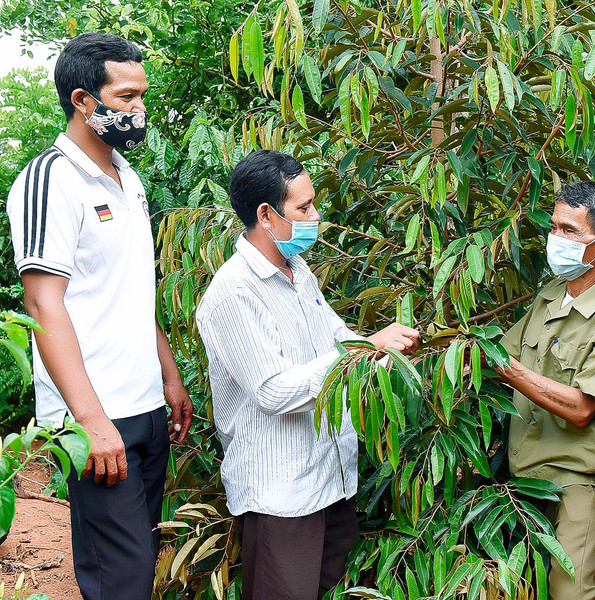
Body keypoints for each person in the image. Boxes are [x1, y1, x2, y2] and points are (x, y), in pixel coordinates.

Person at [5, 33, 193, 599]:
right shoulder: (50, 180)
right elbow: (43, 304)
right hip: (94, 418)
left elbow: (132, 291)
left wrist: (170, 375)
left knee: (140, 561)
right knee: (123, 577)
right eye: (127, 97)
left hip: (144, 405)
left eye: (141, 96)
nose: (140, 109)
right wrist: (88, 422)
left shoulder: (126, 178)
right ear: (83, 100)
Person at [196, 150, 421, 600]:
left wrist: (385, 352)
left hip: (328, 478)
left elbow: (337, 337)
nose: (316, 216)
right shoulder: (233, 293)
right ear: (266, 215)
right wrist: (367, 348)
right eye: (304, 208)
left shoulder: (298, 271)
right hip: (282, 494)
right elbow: (274, 392)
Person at [497, 181, 595, 600]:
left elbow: (582, 408)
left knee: (570, 592)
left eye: (568, 230)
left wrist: (508, 369)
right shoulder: (550, 296)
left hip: (577, 483)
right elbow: (499, 355)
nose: (555, 240)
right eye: (553, 227)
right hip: (524, 475)